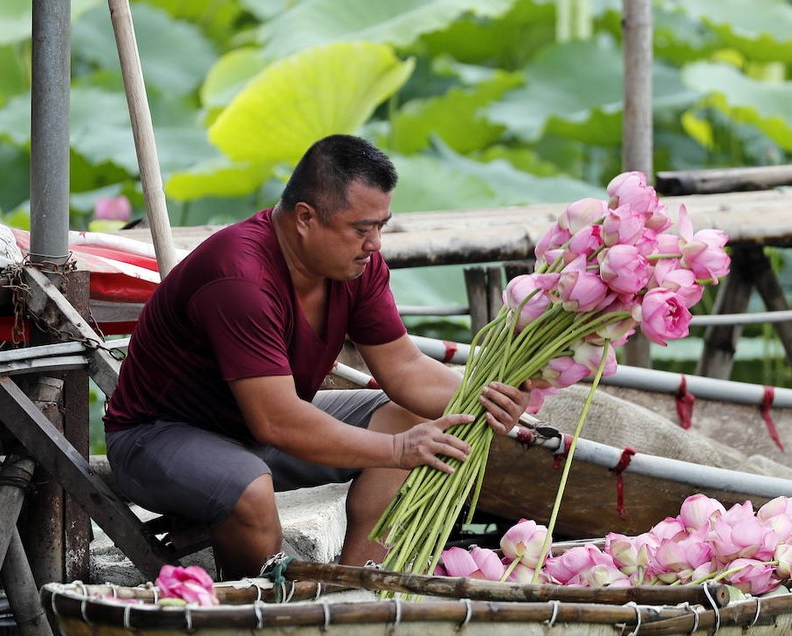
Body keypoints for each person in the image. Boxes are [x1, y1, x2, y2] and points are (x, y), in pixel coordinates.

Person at [104, 134, 531, 579]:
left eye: (382, 226)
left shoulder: (355, 268)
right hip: (157, 438)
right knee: (248, 490)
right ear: (305, 218)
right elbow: (278, 420)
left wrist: (482, 397)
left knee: (411, 417)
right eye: (362, 229)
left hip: (258, 434)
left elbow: (404, 368)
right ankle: (264, 617)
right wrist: (397, 451)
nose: (376, 245)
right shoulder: (240, 277)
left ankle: (357, 587)